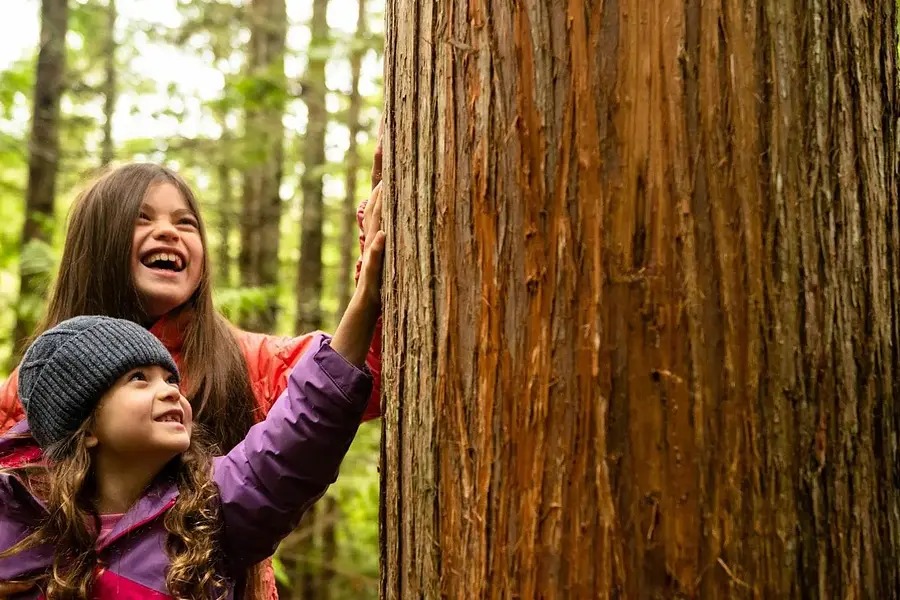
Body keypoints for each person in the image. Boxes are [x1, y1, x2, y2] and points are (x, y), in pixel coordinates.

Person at [0, 142, 385, 597]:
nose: (169, 232)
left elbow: (356, 376)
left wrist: (377, 244)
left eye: (186, 223)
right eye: (141, 218)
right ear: (97, 244)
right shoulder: (34, 385)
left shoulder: (247, 361)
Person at [0, 310, 377, 598]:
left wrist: (366, 302)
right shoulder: (15, 518)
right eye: (138, 379)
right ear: (86, 425)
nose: (170, 392)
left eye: (170, 379)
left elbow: (303, 425)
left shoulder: (214, 506)